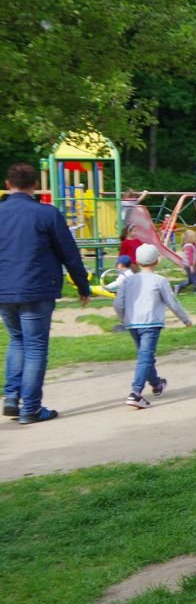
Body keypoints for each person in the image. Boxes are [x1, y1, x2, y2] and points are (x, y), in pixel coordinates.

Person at [1, 162, 92, 424]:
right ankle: (30, 408)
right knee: (35, 347)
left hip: (5, 290)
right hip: (37, 289)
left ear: (8, 185)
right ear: (35, 186)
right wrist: (82, 285)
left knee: (17, 340)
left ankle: (11, 398)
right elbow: (69, 252)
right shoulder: (47, 214)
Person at [114, 244, 192, 409]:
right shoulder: (160, 281)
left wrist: (124, 318)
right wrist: (185, 319)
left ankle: (157, 384)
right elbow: (173, 302)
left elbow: (118, 303)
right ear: (157, 261)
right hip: (151, 323)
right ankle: (136, 393)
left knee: (145, 356)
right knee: (145, 356)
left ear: (136, 260)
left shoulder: (128, 281)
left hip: (132, 323)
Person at [174, 230, 196, 295]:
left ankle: (179, 286)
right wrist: (191, 266)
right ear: (190, 238)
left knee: (191, 280)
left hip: (190, 265)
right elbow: (189, 257)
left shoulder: (191, 245)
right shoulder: (189, 246)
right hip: (190, 265)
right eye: (194, 237)